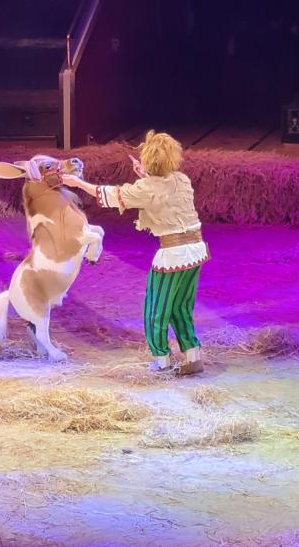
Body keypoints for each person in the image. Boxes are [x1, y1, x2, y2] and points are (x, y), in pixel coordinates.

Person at [63, 131, 209, 376]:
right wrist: (147, 175)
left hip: (173, 255)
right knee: (181, 307)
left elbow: (111, 195)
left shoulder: (145, 188)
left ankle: (162, 361)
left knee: (156, 308)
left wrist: (77, 183)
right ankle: (192, 355)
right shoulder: (181, 179)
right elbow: (160, 190)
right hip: (196, 251)